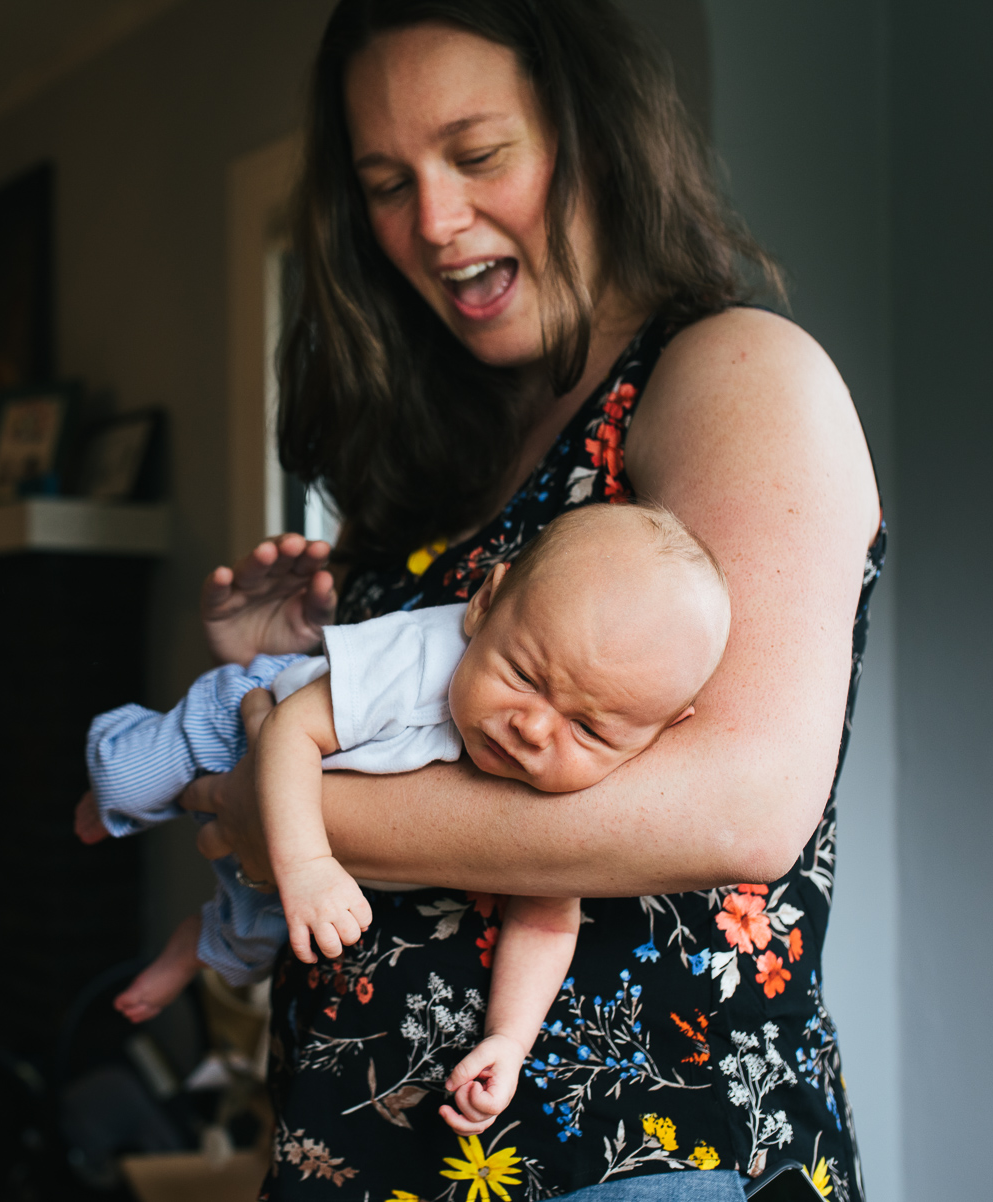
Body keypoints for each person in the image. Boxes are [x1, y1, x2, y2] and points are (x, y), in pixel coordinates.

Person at [182, 1, 884, 1198]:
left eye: (477, 153)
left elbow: (743, 803)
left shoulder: (728, 371)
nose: (434, 222)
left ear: (592, 134)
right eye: (386, 181)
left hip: (628, 1154)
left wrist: (292, 815)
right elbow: (403, 735)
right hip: (367, 1146)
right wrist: (285, 671)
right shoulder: (438, 456)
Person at [81, 503, 730, 1136]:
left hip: (306, 835)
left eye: (588, 727)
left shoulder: (568, 796)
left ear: (656, 734)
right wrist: (309, 866)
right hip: (249, 730)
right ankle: (104, 787)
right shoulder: (416, 658)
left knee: (254, 938)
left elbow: (544, 918)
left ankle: (189, 948)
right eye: (525, 676)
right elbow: (289, 732)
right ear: (485, 604)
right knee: (131, 780)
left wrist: (508, 1039)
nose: (532, 728)